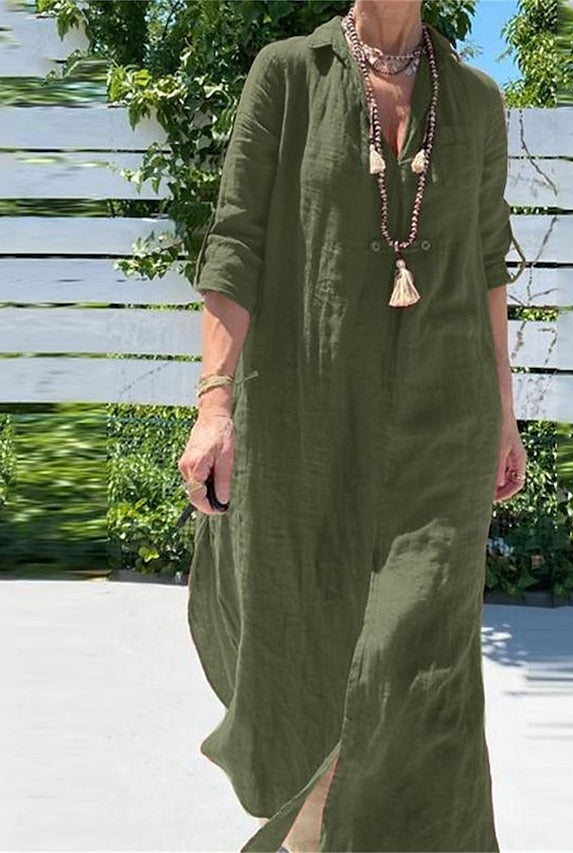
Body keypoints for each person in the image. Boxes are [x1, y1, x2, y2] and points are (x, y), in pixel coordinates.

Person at [178, 1, 528, 851]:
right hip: (306, 421)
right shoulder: (288, 75)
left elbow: (487, 262)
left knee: (420, 667)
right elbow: (236, 242)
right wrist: (214, 400)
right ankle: (312, 836)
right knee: (306, 656)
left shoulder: (475, 101)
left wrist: (504, 416)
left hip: (445, 423)